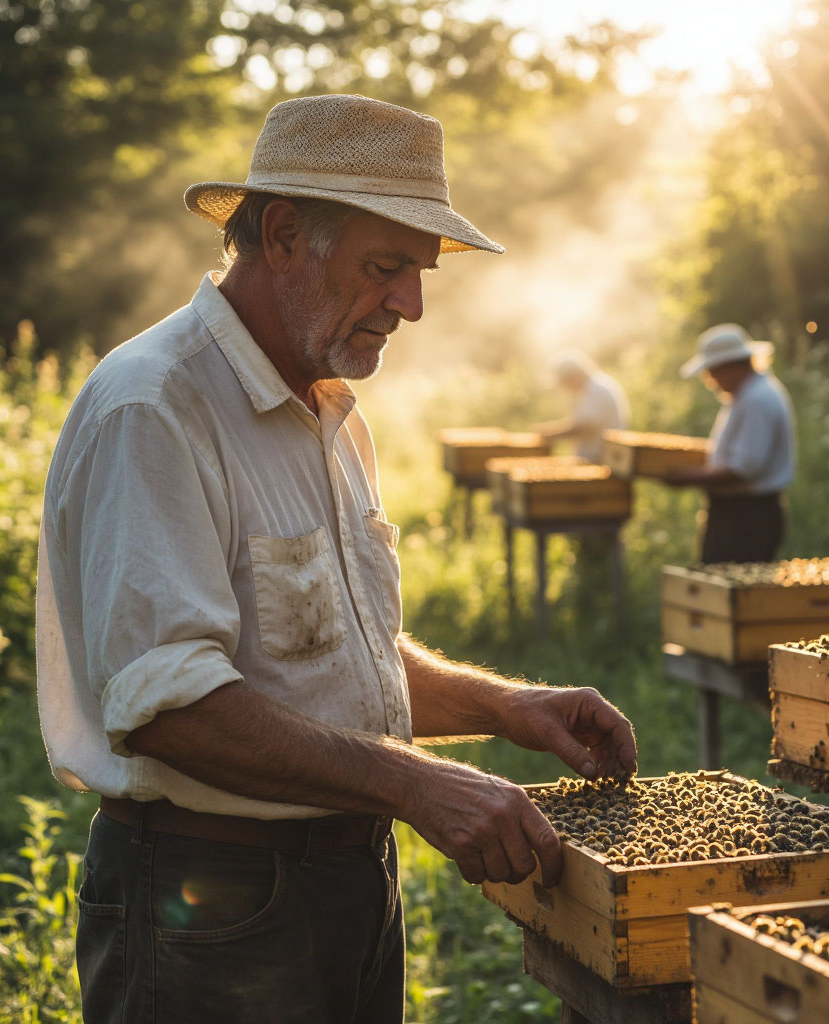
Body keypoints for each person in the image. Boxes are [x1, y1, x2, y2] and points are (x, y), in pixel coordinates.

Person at [35, 93, 637, 1024]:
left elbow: (331, 651)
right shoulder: (154, 408)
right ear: (281, 235)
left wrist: (504, 707)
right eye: (387, 267)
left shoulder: (324, 408)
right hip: (209, 906)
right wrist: (414, 782)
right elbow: (168, 707)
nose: (413, 304)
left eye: (419, 272)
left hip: (347, 884)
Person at [663, 323, 796, 563]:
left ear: (732, 366)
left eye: (712, 371)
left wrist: (687, 476)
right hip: (737, 512)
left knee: (735, 594)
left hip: (748, 516)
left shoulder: (758, 399)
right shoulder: (746, 395)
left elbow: (743, 469)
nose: (710, 379)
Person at [534, 349, 630, 462]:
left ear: (573, 376)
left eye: (565, 382)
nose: (566, 388)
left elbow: (586, 425)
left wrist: (554, 433)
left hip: (602, 460)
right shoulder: (591, 388)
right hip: (596, 459)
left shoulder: (597, 389)